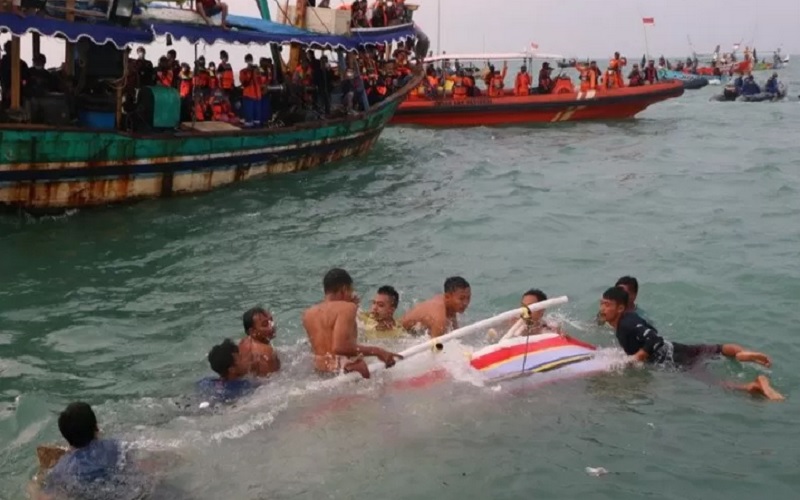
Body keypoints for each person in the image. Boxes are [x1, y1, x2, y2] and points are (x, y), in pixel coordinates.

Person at [599, 287, 783, 401]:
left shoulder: (626, 323)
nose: (602, 309)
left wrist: (637, 357)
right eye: (602, 304)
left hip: (675, 359)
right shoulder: (628, 319)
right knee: (717, 348)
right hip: (676, 348)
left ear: (620, 308)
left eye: (607, 305)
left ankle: (754, 385)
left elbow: (655, 339)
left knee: (714, 383)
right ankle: (742, 354)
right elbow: (649, 332)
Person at [302, 268, 403, 379]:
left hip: (321, 373)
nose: (352, 295)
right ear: (344, 289)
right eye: (351, 291)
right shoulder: (347, 308)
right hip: (344, 373)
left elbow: (324, 345)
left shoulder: (308, 314)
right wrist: (378, 351)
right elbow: (339, 347)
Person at [37, 403, 144, 500]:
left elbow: (44, 498)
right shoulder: (117, 445)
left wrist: (41, 471)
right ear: (96, 427)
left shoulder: (61, 469)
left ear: (66, 437)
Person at [401, 276, 471, 338]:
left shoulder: (450, 305)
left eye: (468, 298)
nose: (465, 303)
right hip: (398, 333)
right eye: (461, 298)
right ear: (447, 296)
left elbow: (455, 334)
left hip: (412, 332)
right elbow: (436, 348)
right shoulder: (438, 317)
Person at [197, 339, 257, 404]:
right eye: (241, 358)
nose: (245, 360)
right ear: (232, 370)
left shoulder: (205, 383)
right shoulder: (246, 386)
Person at [238, 307, 281, 376]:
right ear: (252, 331)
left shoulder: (243, 343)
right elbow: (276, 379)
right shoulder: (267, 351)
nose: (272, 326)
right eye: (265, 324)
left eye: (271, 321)